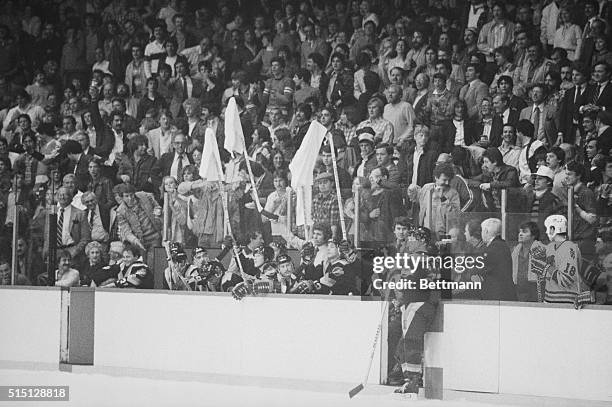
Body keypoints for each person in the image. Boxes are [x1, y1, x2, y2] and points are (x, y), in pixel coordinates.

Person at [477, 218, 517, 301]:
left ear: (486, 231)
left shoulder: (494, 247)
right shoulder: (501, 245)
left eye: (482, 231)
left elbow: (481, 268)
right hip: (502, 294)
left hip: (497, 296)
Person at [511, 221, 547, 302]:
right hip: (518, 290)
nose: (520, 234)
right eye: (519, 231)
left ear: (533, 235)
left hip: (536, 290)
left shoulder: (542, 250)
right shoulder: (515, 250)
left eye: (524, 232)